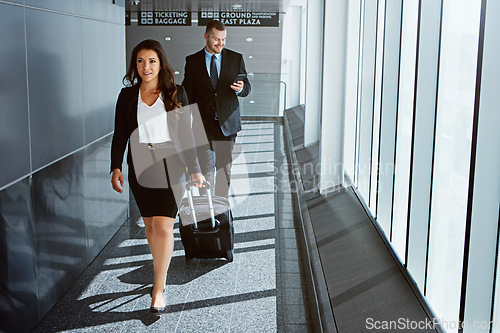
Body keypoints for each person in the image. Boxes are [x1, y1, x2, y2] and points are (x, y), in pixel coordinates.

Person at [110, 39, 204, 313]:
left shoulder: (176, 92)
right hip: (140, 164)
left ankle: (158, 288)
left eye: (151, 61)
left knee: (163, 226)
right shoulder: (127, 96)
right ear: (134, 65)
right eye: (140, 61)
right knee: (150, 225)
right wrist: (116, 166)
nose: (145, 66)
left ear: (161, 63)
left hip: (171, 163)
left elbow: (186, 134)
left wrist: (195, 168)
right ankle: (158, 267)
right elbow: (120, 134)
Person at [182, 19, 251, 198]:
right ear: (206, 36)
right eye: (216, 39)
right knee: (206, 171)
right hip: (203, 124)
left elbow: (247, 88)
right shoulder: (192, 61)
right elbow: (187, 92)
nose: (220, 43)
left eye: (223, 39)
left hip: (227, 124)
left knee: (224, 171)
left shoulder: (236, 59)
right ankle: (207, 208)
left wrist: (241, 88)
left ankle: (220, 207)